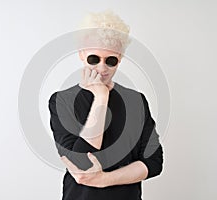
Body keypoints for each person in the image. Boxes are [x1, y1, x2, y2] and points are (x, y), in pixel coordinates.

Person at [48, 10, 163, 200]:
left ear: (120, 59)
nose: (102, 68)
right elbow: (81, 162)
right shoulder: (62, 101)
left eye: (111, 61)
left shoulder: (136, 101)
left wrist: (104, 179)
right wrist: (101, 97)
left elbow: (154, 162)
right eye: (94, 59)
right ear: (81, 54)